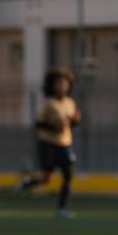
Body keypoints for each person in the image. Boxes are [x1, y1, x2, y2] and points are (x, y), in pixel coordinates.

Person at [17, 67, 81, 217]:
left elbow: (70, 123)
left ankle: (62, 208)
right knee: (46, 177)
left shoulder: (70, 103)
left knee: (68, 175)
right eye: (58, 83)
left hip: (65, 143)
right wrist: (54, 127)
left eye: (64, 83)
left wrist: (75, 121)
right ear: (52, 85)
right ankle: (27, 183)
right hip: (48, 143)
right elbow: (38, 124)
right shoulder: (49, 104)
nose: (62, 86)